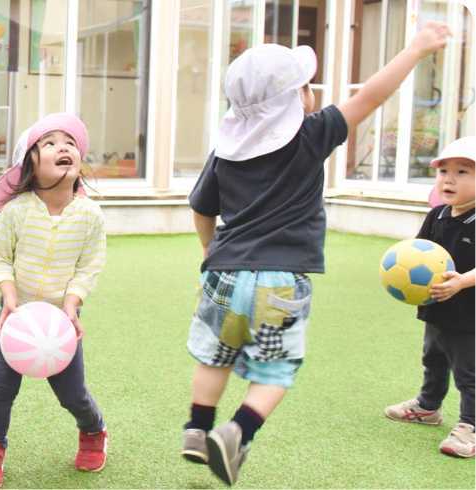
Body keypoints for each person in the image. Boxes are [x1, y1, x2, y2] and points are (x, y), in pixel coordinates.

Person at [181, 22, 451, 486]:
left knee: (215, 356)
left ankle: (196, 428)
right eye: (306, 87)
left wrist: (211, 251)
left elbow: (203, 209)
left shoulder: (225, 151)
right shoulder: (311, 135)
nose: (312, 93)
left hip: (223, 275)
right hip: (280, 282)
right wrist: (415, 49)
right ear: (292, 101)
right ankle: (237, 431)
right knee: (275, 370)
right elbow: (372, 95)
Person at [0, 113, 107, 488]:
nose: (63, 147)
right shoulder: (18, 210)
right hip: (16, 315)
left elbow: (90, 266)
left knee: (71, 392)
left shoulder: (90, 215)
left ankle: (93, 430)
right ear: (31, 162)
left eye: (70, 143)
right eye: (50, 143)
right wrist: (8, 296)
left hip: (61, 319)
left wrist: (72, 303)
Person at [385, 136, 475, 458]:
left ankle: (470, 426)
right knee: (433, 358)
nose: (449, 179)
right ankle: (428, 406)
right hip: (437, 308)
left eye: (463, 172)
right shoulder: (436, 215)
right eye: (443, 171)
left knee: (468, 372)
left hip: (469, 314)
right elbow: (416, 252)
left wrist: (462, 281)